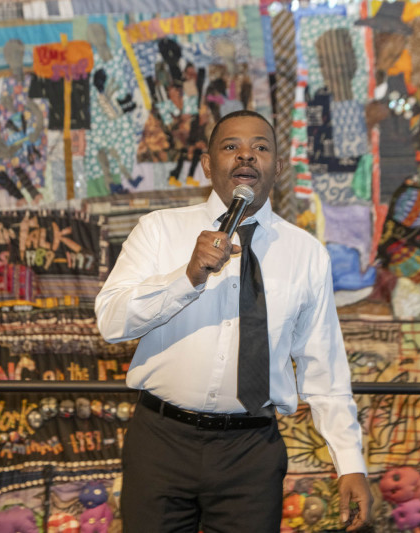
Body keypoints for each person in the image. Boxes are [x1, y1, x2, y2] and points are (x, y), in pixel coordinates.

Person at [95, 110, 370, 532]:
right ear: (208, 165)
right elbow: (112, 322)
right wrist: (186, 277)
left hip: (251, 451)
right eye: (231, 146)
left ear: (278, 166)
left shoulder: (306, 253)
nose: (246, 155)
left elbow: (324, 367)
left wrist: (350, 462)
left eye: (260, 147)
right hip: (161, 442)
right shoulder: (159, 230)